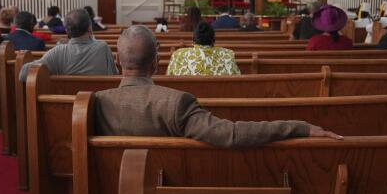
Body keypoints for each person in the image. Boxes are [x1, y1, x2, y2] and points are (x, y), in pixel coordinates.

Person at [95, 25, 341, 144]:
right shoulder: (175, 103)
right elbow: (232, 134)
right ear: (156, 62)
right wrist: (299, 127)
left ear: (117, 61)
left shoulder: (93, 104)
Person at [19, 9, 118, 82]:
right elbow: (114, 76)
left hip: (68, 106)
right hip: (98, 104)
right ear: (89, 28)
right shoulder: (102, 47)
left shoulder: (58, 52)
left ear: (66, 30)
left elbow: (23, 74)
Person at [167, 21, 241, 76]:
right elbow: (238, 79)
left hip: (186, 96)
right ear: (213, 40)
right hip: (219, 96)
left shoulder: (178, 54)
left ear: (193, 39)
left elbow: (169, 79)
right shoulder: (227, 54)